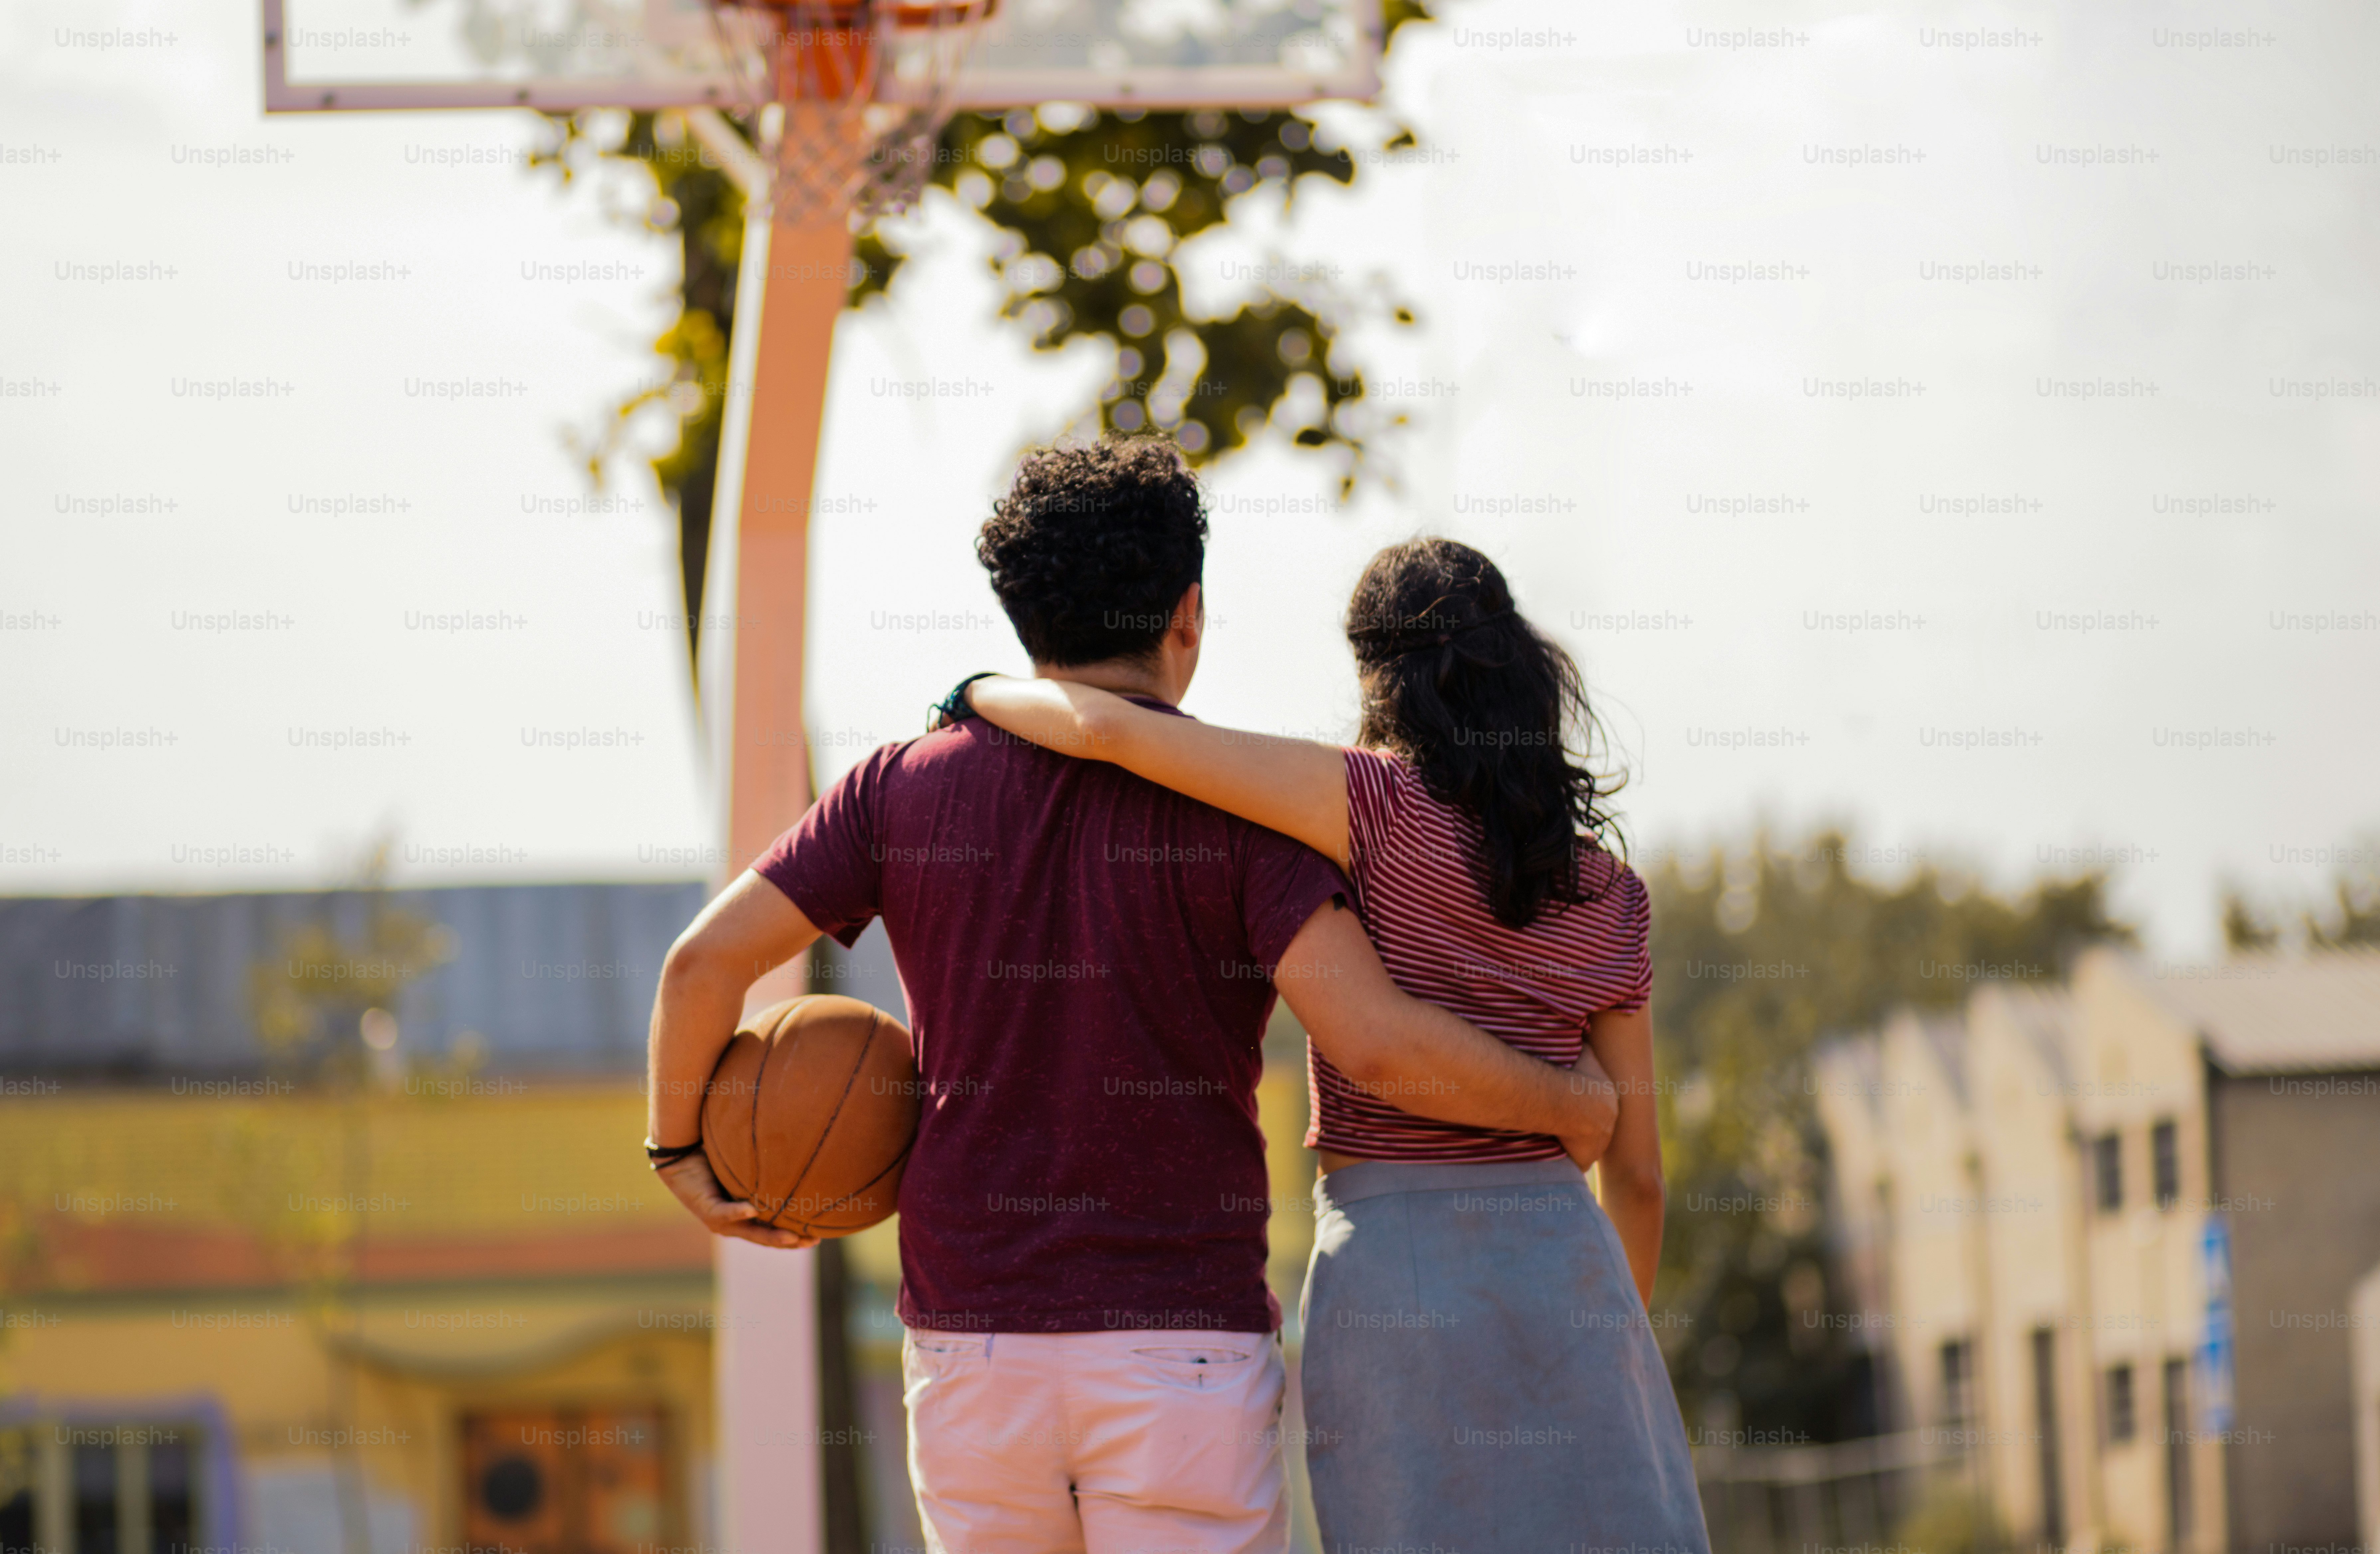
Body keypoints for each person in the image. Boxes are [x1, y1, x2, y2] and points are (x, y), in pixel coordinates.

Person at [644, 440, 1620, 1554]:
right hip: (1180, 1348)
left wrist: (679, 1152)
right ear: (1188, 616)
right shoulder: (1248, 811)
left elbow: (699, 967)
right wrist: (1568, 1103)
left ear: (1023, 623)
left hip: (971, 1354)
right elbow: (1375, 1041)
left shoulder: (893, 786)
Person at [965, 534, 1711, 1553]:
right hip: (1574, 1275)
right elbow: (1641, 1181)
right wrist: (1601, 1339)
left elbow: (1107, 732)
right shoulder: (1614, 898)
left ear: (1378, 675)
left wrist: (979, 692)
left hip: (1397, 1276)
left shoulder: (1367, 808)